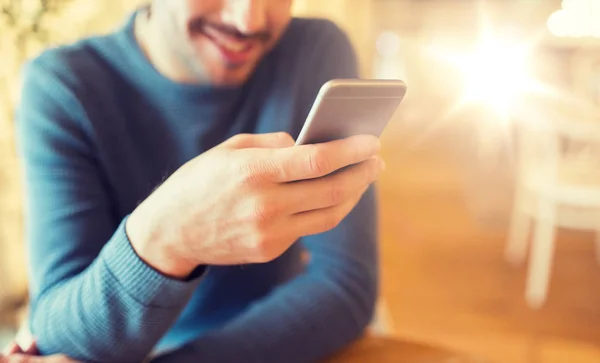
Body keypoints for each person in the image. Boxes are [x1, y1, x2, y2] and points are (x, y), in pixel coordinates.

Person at [15, 0, 384, 362]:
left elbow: (344, 284)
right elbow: (58, 341)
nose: (248, 20)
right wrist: (167, 238)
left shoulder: (314, 50)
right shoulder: (63, 87)